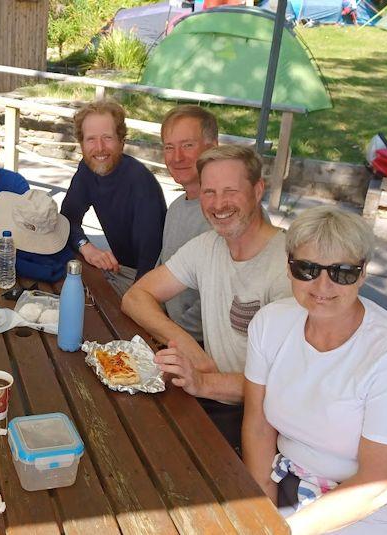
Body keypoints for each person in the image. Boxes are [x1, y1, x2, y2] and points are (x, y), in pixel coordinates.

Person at [243, 206, 387, 534]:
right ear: (289, 268)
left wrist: (282, 531)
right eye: (307, 269)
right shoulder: (270, 323)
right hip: (292, 477)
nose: (322, 286)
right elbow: (257, 423)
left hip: (377, 502)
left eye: (342, 272)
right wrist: (262, 503)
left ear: (363, 273)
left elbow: (377, 485)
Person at [122, 145, 290, 451]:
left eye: (230, 191)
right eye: (209, 192)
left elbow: (283, 386)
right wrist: (185, 342)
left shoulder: (288, 267)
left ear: (258, 190)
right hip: (216, 398)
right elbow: (136, 296)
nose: (218, 204)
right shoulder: (209, 245)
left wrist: (203, 383)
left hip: (266, 423)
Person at [60, 98, 167, 296]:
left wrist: (133, 307)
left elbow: (149, 260)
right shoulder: (87, 169)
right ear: (81, 144)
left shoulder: (140, 182)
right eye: (91, 139)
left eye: (107, 138)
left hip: (150, 277)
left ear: (121, 141)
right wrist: (87, 247)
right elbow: (65, 221)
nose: (99, 148)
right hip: (120, 269)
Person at [157, 105, 219, 343]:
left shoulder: (225, 214)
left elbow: (214, 305)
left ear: (211, 148)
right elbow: (160, 275)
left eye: (188, 145)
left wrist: (165, 338)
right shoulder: (175, 208)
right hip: (168, 331)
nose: (177, 157)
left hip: (200, 346)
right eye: (169, 147)